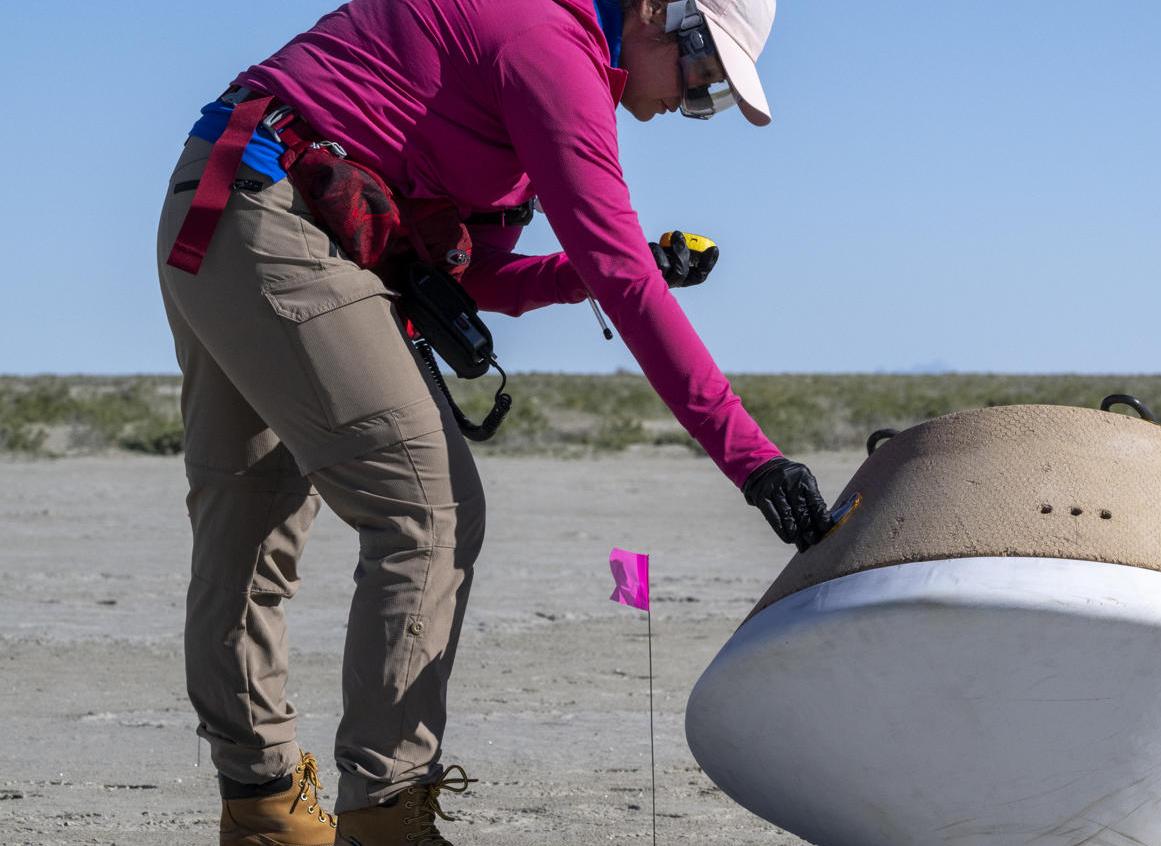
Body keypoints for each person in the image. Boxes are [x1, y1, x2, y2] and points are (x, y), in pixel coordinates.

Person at [152, 0, 828, 842]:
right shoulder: (551, 50)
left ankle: (260, 814)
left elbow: (488, 275)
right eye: (703, 80)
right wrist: (754, 460)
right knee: (428, 513)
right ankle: (386, 812)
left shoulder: (530, 52)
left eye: (714, 98)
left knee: (246, 527)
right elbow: (620, 279)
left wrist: (610, 269)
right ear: (659, 13)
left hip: (216, 205)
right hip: (274, 214)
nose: (690, 107)